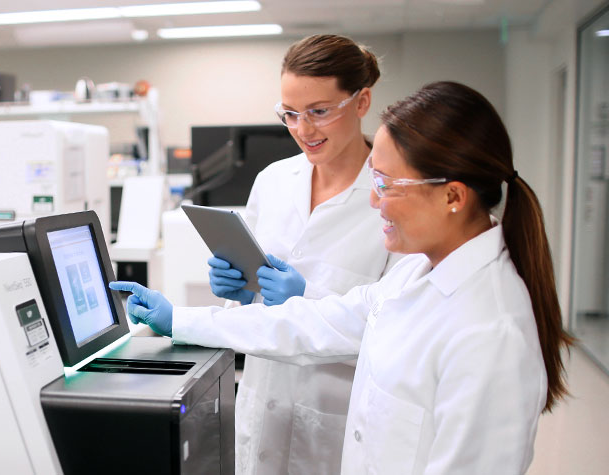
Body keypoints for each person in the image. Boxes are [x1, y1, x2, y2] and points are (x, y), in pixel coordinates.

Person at [111, 80, 573, 474]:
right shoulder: (416, 273)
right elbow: (312, 323)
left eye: (386, 185)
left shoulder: (489, 332)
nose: (374, 202)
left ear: (453, 196)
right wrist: (182, 321)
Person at [204, 34, 397, 475]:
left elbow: (397, 328)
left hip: (337, 422)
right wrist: (236, 286)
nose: (303, 130)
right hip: (261, 407)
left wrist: (307, 296)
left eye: (319, 112)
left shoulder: (391, 197)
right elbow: (252, 303)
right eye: (290, 114)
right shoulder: (273, 180)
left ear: (362, 101)